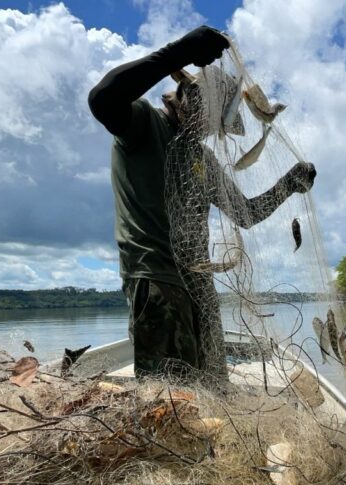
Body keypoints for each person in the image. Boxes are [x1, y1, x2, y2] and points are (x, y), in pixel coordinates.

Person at [88, 26, 316, 379]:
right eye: (210, 115)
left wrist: (288, 185)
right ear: (189, 97)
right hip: (158, 277)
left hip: (199, 283)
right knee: (171, 392)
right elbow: (103, 98)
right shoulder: (143, 123)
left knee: (214, 383)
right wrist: (178, 52)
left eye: (216, 123)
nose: (210, 128)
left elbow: (245, 213)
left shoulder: (202, 157)